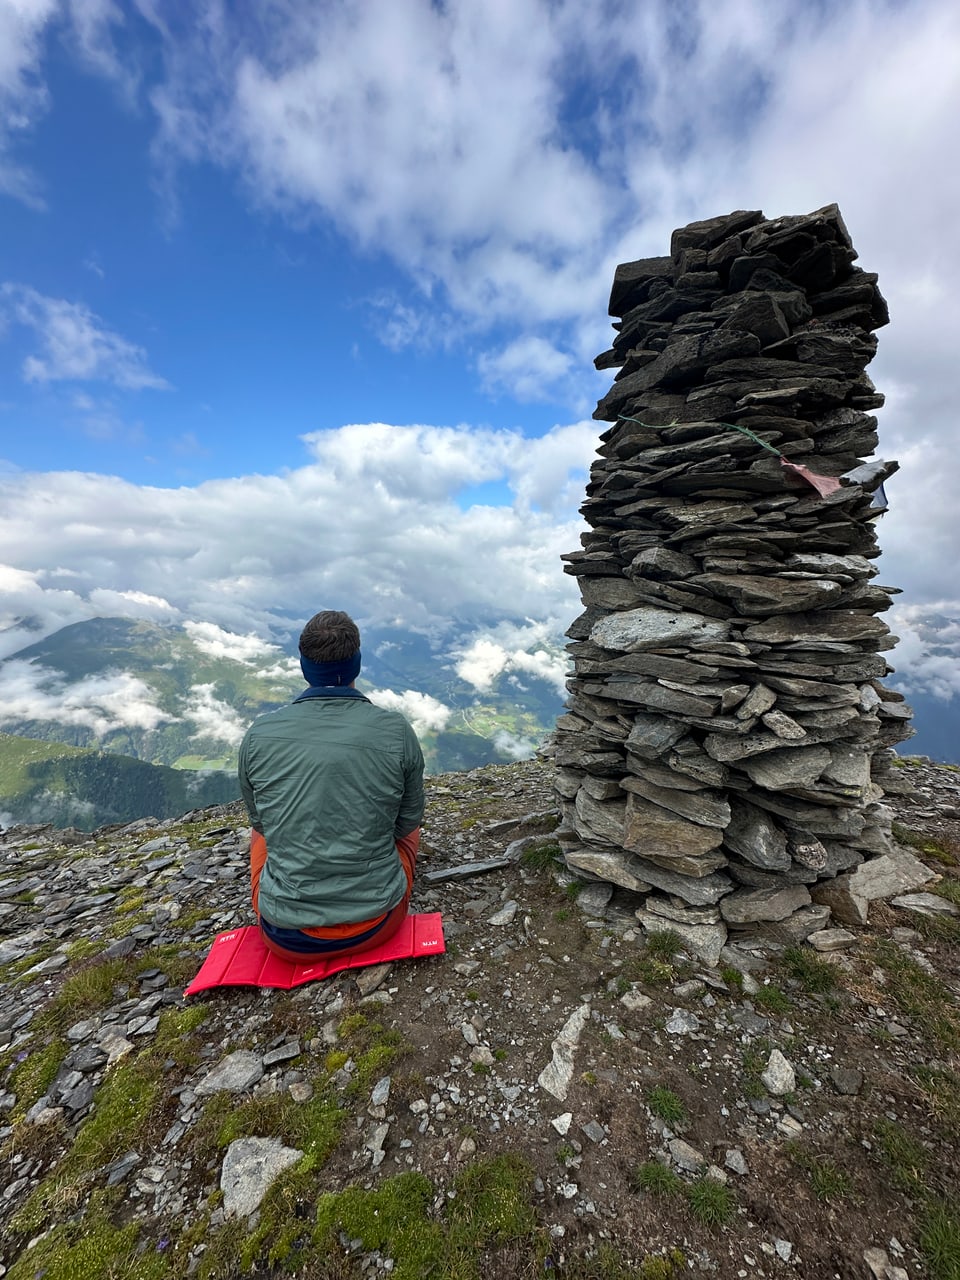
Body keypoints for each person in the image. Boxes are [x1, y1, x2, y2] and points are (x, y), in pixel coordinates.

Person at [238, 609, 425, 962]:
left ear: (304, 666)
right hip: (377, 924)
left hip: (285, 936)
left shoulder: (258, 735)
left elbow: (261, 822)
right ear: (356, 663)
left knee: (261, 833)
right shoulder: (396, 730)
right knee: (410, 830)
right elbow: (407, 822)